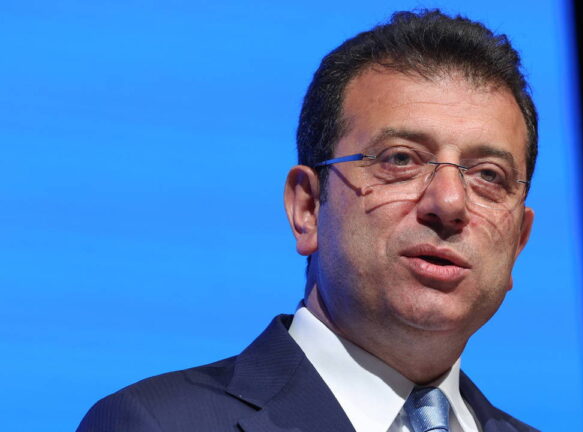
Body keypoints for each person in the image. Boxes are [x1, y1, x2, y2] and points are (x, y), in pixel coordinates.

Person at [78, 9, 538, 432]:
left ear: (518, 242)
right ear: (307, 208)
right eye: (401, 159)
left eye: (489, 176)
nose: (450, 202)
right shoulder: (156, 423)